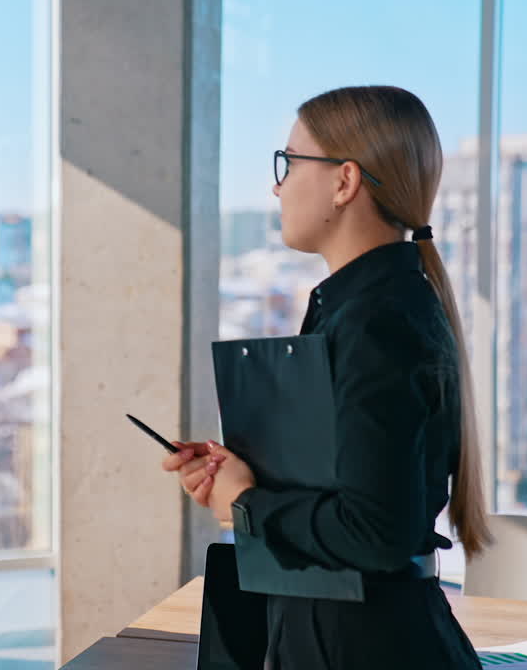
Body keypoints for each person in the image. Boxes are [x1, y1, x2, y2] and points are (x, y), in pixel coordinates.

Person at [165, 86, 492, 669]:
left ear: (344, 182)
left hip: (362, 647)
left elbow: (374, 529)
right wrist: (242, 475)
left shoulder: (376, 323)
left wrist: (246, 500)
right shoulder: (362, 306)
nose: (276, 185)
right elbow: (353, 480)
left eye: (289, 163)